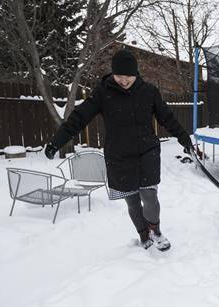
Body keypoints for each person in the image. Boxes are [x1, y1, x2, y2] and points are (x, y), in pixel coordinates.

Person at [44, 49, 193, 251]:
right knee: (132, 201)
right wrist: (56, 141)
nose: (123, 80)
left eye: (128, 76)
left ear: (136, 73)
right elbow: (79, 117)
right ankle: (143, 235)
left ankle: (155, 231)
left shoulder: (149, 91)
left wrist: (185, 139)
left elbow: (167, 118)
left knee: (149, 196)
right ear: (113, 73)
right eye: (119, 76)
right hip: (119, 156)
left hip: (147, 152)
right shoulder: (102, 93)